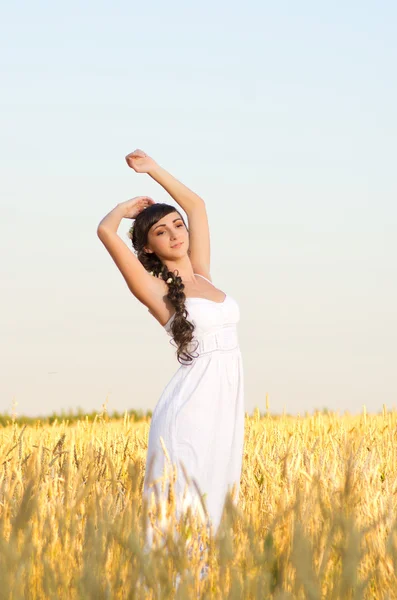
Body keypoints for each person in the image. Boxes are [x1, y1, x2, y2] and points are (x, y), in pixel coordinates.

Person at [97, 149, 245, 548]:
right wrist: (122, 209)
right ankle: (167, 581)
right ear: (148, 248)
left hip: (225, 404)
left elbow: (196, 205)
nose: (176, 233)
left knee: (216, 496)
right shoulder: (156, 291)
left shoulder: (203, 275)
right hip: (191, 407)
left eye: (177, 226)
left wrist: (153, 170)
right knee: (182, 499)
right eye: (162, 231)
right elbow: (106, 232)